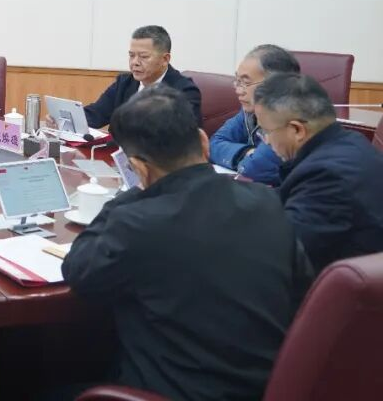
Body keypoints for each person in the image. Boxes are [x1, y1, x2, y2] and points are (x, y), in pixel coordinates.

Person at [62, 86, 313, 401]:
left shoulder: (138, 222)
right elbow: (303, 293)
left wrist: (129, 196)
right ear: (204, 142)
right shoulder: (267, 202)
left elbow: (78, 271)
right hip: (265, 389)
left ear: (139, 169)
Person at [254, 73, 383, 272]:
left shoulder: (326, 176)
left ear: (297, 130)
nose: (267, 141)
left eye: (266, 132)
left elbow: (281, 254)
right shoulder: (351, 142)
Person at [210, 44, 300, 185]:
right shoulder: (249, 112)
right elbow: (214, 144)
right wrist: (246, 152)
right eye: (237, 81)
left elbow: (255, 169)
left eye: (245, 83)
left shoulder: (291, 118)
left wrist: (251, 159)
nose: (239, 91)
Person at [79, 25, 201, 129]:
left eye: (143, 56)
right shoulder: (124, 83)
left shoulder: (185, 91)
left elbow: (182, 138)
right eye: (132, 56)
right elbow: (94, 115)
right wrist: (70, 118)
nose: (135, 62)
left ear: (165, 59)